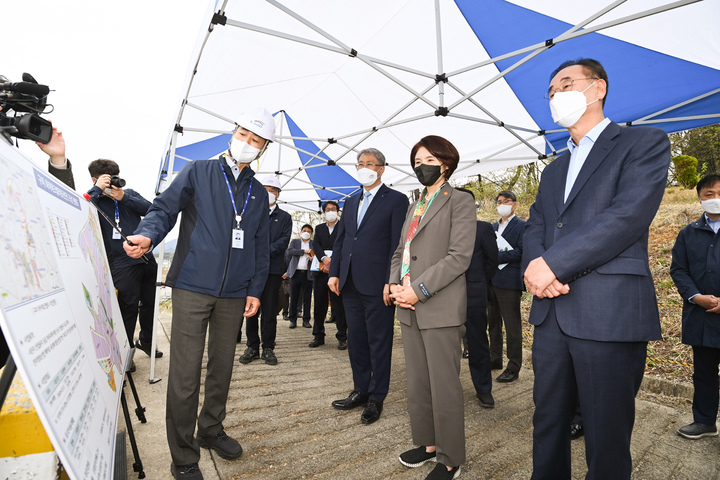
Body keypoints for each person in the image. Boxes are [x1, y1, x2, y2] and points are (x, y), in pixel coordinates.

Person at [523, 58, 670, 480]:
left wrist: (553, 264)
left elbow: (627, 217)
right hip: (551, 315)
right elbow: (536, 225)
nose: (556, 96)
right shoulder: (553, 170)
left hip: (608, 311)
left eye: (566, 84)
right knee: (547, 422)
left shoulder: (642, 143)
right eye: (551, 92)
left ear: (598, 88)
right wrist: (536, 269)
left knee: (606, 435)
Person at [124, 109, 274, 480]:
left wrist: (254, 289)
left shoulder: (257, 192)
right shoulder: (198, 170)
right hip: (192, 285)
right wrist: (148, 234)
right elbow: (164, 208)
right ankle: (184, 455)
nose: (247, 143)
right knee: (185, 375)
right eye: (243, 134)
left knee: (222, 368)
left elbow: (259, 243)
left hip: (235, 293)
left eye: (256, 140)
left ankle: (210, 429)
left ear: (263, 148)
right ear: (233, 133)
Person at [390, 136, 476, 480]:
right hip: (408, 307)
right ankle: (426, 444)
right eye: (416, 160)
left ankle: (450, 457)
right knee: (418, 383)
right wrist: (395, 282)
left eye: (427, 159)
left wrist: (419, 289)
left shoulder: (460, 201)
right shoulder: (415, 205)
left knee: (444, 386)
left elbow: (459, 257)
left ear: (445, 162)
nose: (420, 165)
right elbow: (401, 249)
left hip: (438, 305)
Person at [328, 147, 408, 425]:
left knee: (379, 342)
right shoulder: (349, 202)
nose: (364, 168)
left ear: (381, 169)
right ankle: (360, 390)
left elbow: (399, 245)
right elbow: (342, 240)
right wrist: (335, 272)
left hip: (379, 284)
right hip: (349, 282)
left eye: (370, 164)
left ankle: (377, 396)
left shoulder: (396, 200)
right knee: (356, 341)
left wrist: (392, 280)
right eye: (360, 163)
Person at [87, 159, 162, 369]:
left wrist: (124, 196)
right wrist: (97, 189)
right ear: (96, 179)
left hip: (146, 257)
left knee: (150, 303)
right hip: (121, 264)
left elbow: (152, 210)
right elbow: (82, 207)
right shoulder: (94, 199)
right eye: (108, 179)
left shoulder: (129, 194)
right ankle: (126, 351)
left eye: (115, 177)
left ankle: (146, 340)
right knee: (127, 309)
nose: (114, 184)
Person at [670, 172, 720, 439]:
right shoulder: (688, 233)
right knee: (704, 372)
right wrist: (695, 296)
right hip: (701, 316)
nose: (715, 199)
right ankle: (704, 421)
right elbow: (679, 270)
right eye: (709, 194)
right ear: (700, 198)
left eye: (719, 193)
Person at [237, 175, 292, 365]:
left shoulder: (284, 217)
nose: (268, 193)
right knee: (251, 308)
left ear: (277, 194)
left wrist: (264, 251)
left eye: (272, 190)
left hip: (273, 270)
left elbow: (284, 241)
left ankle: (268, 347)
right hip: (251, 269)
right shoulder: (251, 212)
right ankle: (252, 346)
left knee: (269, 310)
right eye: (265, 189)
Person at [456, 188, 499, 408]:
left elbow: (492, 260)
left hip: (473, 296)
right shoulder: (445, 228)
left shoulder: (483, 229)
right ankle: (447, 391)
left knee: (478, 343)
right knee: (446, 346)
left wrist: (477, 281)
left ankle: (483, 389)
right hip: (445, 297)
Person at [488, 190, 525, 382]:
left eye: (506, 201)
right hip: (491, 281)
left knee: (512, 327)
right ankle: (495, 358)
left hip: (509, 282)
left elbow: (521, 251)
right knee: (493, 324)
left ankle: (514, 366)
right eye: (499, 201)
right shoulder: (492, 226)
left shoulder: (523, 226)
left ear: (515, 204)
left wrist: (495, 257)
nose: (502, 204)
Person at [309, 200, 348, 349]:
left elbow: (344, 245)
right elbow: (315, 244)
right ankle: (318, 335)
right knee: (319, 304)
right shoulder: (319, 228)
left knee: (339, 304)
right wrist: (324, 259)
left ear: (338, 211)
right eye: (327, 209)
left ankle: (342, 336)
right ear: (324, 212)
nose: (330, 211)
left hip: (337, 270)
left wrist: (333, 261)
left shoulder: (344, 227)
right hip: (320, 270)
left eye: (333, 209)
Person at [286, 224, 314, 329]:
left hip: (308, 274)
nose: (306, 232)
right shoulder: (295, 242)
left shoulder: (313, 244)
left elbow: (317, 255)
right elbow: (290, 251)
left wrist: (313, 258)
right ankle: (292, 319)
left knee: (307, 298)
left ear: (311, 234)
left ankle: (306, 320)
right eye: (304, 230)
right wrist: (304, 251)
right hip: (295, 273)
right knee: (294, 297)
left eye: (309, 231)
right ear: (301, 232)